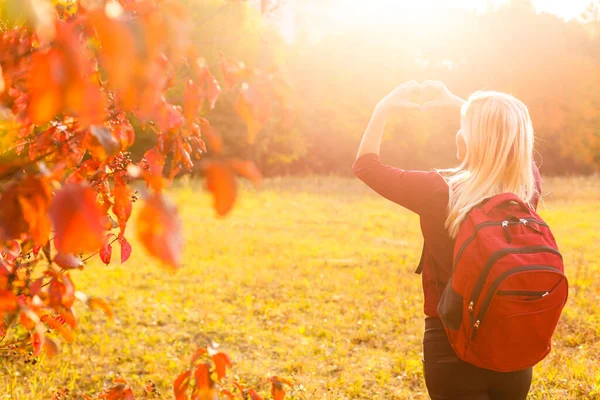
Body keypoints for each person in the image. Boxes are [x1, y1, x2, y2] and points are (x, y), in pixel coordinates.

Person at [353, 80, 541, 400]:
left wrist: (382, 107)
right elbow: (505, 137)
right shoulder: (525, 188)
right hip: (512, 343)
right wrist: (462, 105)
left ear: (469, 138)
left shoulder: (439, 190)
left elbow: (366, 166)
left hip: (452, 344)